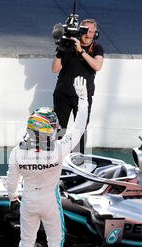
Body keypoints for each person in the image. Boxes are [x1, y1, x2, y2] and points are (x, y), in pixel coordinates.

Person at [6, 76, 89, 247]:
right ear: (47, 130)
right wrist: (83, 100)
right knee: (56, 241)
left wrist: (13, 197)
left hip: (28, 201)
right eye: (52, 126)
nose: (55, 128)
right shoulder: (59, 149)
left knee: (27, 240)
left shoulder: (17, 152)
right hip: (50, 202)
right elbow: (79, 128)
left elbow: (11, 182)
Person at [52, 19, 103, 154]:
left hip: (83, 97)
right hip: (62, 94)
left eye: (91, 32)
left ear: (95, 33)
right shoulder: (69, 45)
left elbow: (97, 66)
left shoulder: (97, 47)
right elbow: (55, 69)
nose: (87, 35)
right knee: (59, 129)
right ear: (80, 32)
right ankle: (57, 159)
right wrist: (61, 50)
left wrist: (81, 51)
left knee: (80, 130)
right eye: (85, 31)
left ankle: (78, 160)